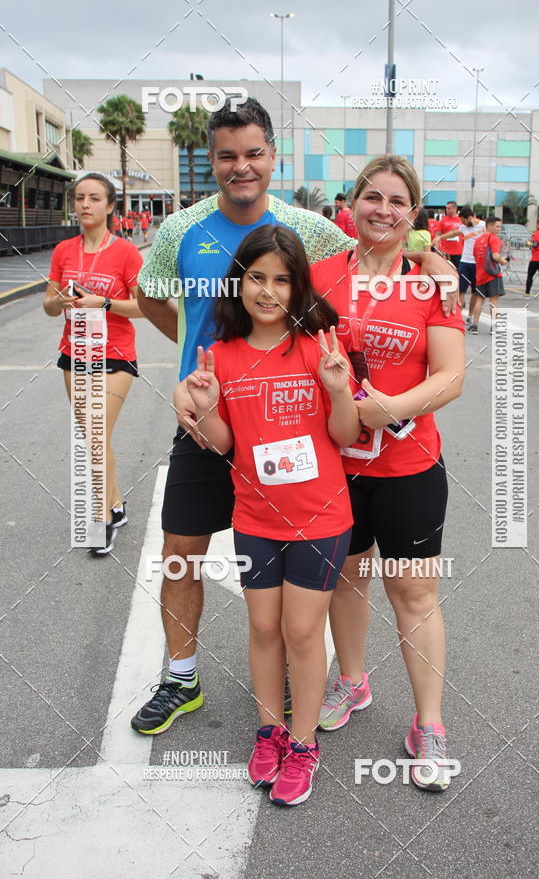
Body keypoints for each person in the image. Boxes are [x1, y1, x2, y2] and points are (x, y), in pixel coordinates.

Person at [131, 96, 457, 736]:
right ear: (212, 160)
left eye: (253, 153)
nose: (241, 166)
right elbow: (150, 293)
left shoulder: (310, 231)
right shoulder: (179, 231)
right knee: (181, 551)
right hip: (211, 416)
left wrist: (431, 259)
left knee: (298, 569)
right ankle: (181, 678)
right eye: (227, 155)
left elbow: (377, 247)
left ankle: (301, 684)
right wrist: (198, 355)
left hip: (291, 429)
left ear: (272, 156)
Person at [183, 225, 359, 806]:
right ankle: (269, 731)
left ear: (298, 286)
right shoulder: (225, 355)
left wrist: (337, 392)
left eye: (282, 279)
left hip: (322, 519)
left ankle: (304, 744)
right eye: (257, 277)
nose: (267, 290)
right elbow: (224, 442)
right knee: (263, 627)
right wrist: (205, 411)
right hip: (255, 518)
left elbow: (346, 435)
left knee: (302, 630)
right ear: (239, 282)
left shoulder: (319, 348)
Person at [311, 155, 465, 792]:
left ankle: (429, 724)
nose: (382, 210)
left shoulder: (436, 285)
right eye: (371, 197)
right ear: (352, 203)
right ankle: (352, 682)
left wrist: (387, 410)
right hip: (332, 465)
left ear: (414, 214)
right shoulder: (318, 275)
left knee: (414, 593)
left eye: (397, 201)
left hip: (409, 464)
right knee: (347, 580)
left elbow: (451, 377)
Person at [42, 173, 143, 554]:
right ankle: (116, 506)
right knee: (93, 436)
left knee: (96, 434)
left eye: (94, 198)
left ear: (110, 206)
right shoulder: (63, 250)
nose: (85, 204)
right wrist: (62, 302)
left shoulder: (126, 253)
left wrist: (101, 303)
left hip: (115, 355)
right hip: (74, 355)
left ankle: (101, 521)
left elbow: (144, 307)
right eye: (80, 197)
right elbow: (48, 306)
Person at [469, 217, 508, 334]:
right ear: (489, 226)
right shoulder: (494, 238)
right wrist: (503, 261)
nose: (498, 229)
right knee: (494, 301)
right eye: (497, 226)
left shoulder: (478, 240)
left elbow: (475, 257)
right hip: (493, 275)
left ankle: (474, 326)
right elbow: (495, 256)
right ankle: (494, 327)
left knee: (479, 300)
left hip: (480, 274)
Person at [456, 206, 485, 316]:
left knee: (475, 292)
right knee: (461, 291)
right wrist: (440, 237)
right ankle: (459, 315)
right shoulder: (463, 227)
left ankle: (470, 315)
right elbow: (454, 233)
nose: (462, 223)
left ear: (469, 217)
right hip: (464, 262)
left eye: (463, 220)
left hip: (478, 264)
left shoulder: (483, 226)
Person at [433, 200, 463, 271]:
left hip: (458, 251)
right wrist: (438, 250)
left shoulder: (461, 220)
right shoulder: (442, 221)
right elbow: (438, 235)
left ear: (455, 208)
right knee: (446, 271)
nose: (447, 210)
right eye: (446, 208)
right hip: (446, 251)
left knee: (457, 271)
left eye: (449, 208)